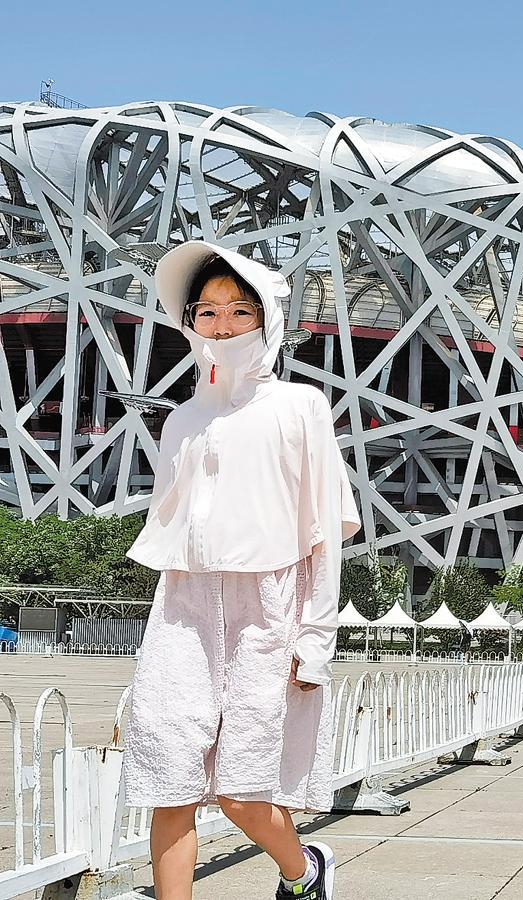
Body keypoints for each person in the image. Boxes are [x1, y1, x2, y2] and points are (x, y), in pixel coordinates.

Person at [122, 241, 361, 900]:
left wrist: (316, 640)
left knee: (241, 794)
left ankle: (304, 871)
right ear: (190, 322)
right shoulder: (182, 420)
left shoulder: (301, 406)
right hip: (184, 606)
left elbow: (323, 534)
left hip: (269, 608)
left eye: (238, 310)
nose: (222, 326)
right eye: (207, 311)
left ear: (265, 318)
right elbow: (177, 530)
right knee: (170, 780)